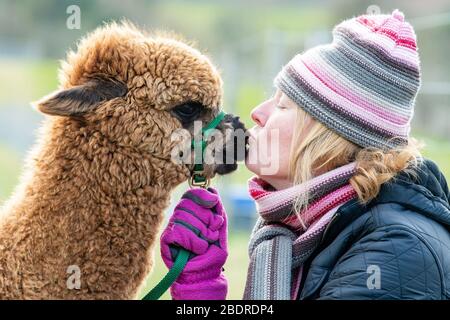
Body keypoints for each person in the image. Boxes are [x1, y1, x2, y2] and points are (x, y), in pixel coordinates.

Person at [160, 9, 450, 300]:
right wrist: (201, 287)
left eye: (284, 105)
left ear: (330, 136)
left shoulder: (394, 252)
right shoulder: (300, 233)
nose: (257, 113)